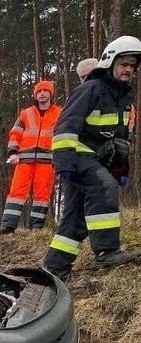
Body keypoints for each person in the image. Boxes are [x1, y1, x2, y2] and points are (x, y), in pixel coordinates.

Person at [44, 36, 141, 281]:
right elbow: (65, 126)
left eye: (132, 65)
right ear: (110, 62)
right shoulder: (90, 89)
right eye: (124, 64)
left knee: (75, 218)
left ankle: (55, 266)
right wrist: (63, 163)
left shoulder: (123, 99)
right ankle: (107, 250)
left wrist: (120, 170)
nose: (128, 69)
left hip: (96, 161)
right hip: (78, 157)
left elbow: (119, 141)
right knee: (103, 187)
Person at [0, 81, 62, 234]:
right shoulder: (26, 114)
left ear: (51, 93)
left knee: (42, 193)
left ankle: (36, 227)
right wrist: (12, 153)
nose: (42, 93)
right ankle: (8, 226)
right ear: (35, 94)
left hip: (48, 160)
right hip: (24, 159)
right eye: (39, 91)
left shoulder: (60, 113)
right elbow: (14, 134)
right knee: (16, 191)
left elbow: (63, 135)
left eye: (45, 90)